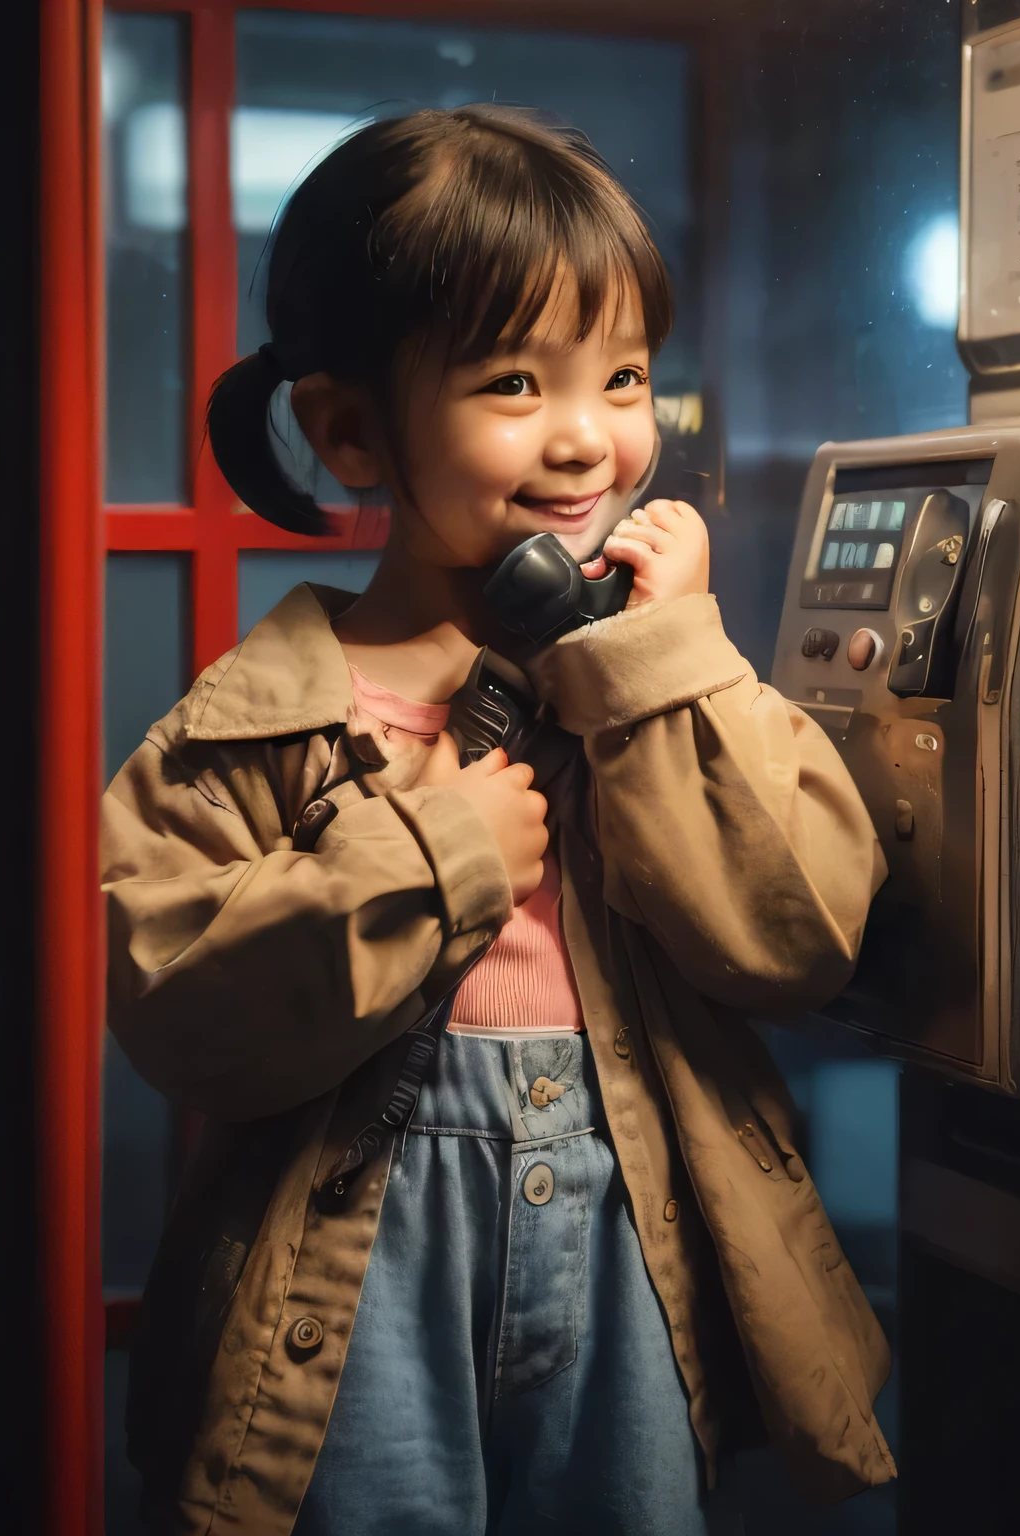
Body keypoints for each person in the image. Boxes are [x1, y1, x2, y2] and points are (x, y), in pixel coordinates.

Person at [101, 104, 894, 1536]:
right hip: (357, 1260)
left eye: (628, 377)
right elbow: (184, 1015)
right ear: (350, 429)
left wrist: (669, 667)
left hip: (624, 1216)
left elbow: (799, 939)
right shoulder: (256, 723)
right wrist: (433, 853)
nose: (591, 439)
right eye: (517, 382)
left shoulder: (653, 675)